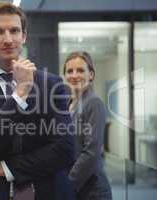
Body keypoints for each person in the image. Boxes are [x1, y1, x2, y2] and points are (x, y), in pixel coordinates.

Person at [0, 2, 74, 200]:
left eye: (14, 30)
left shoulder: (52, 84)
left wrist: (0, 167)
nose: (8, 39)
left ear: (24, 36)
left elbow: (65, 150)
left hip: (47, 192)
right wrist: (19, 94)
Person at [63, 51, 112, 200]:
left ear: (91, 74)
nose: (74, 75)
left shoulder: (93, 103)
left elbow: (90, 152)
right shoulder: (70, 104)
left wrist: (67, 184)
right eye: (69, 71)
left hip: (92, 191)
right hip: (79, 188)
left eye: (80, 70)